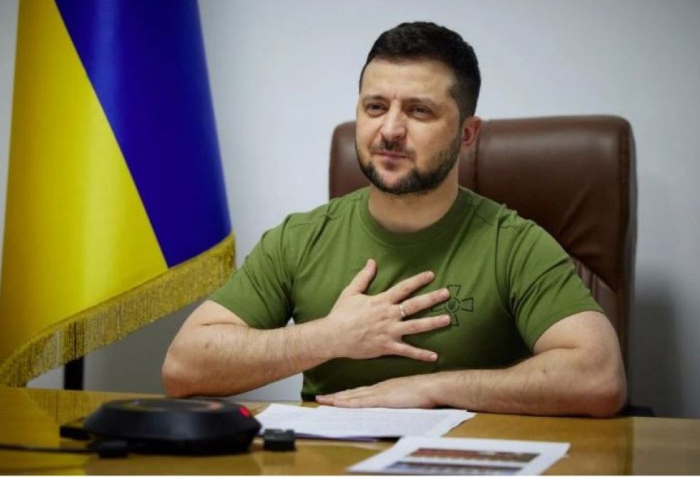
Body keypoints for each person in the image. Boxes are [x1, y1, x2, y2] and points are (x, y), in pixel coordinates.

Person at [162, 21, 626, 417]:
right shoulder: (299, 239)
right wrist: (331, 336)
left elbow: (599, 377)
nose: (389, 130)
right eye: (375, 107)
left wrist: (433, 389)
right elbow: (183, 369)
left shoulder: (514, 243)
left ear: (467, 134)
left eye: (419, 111)